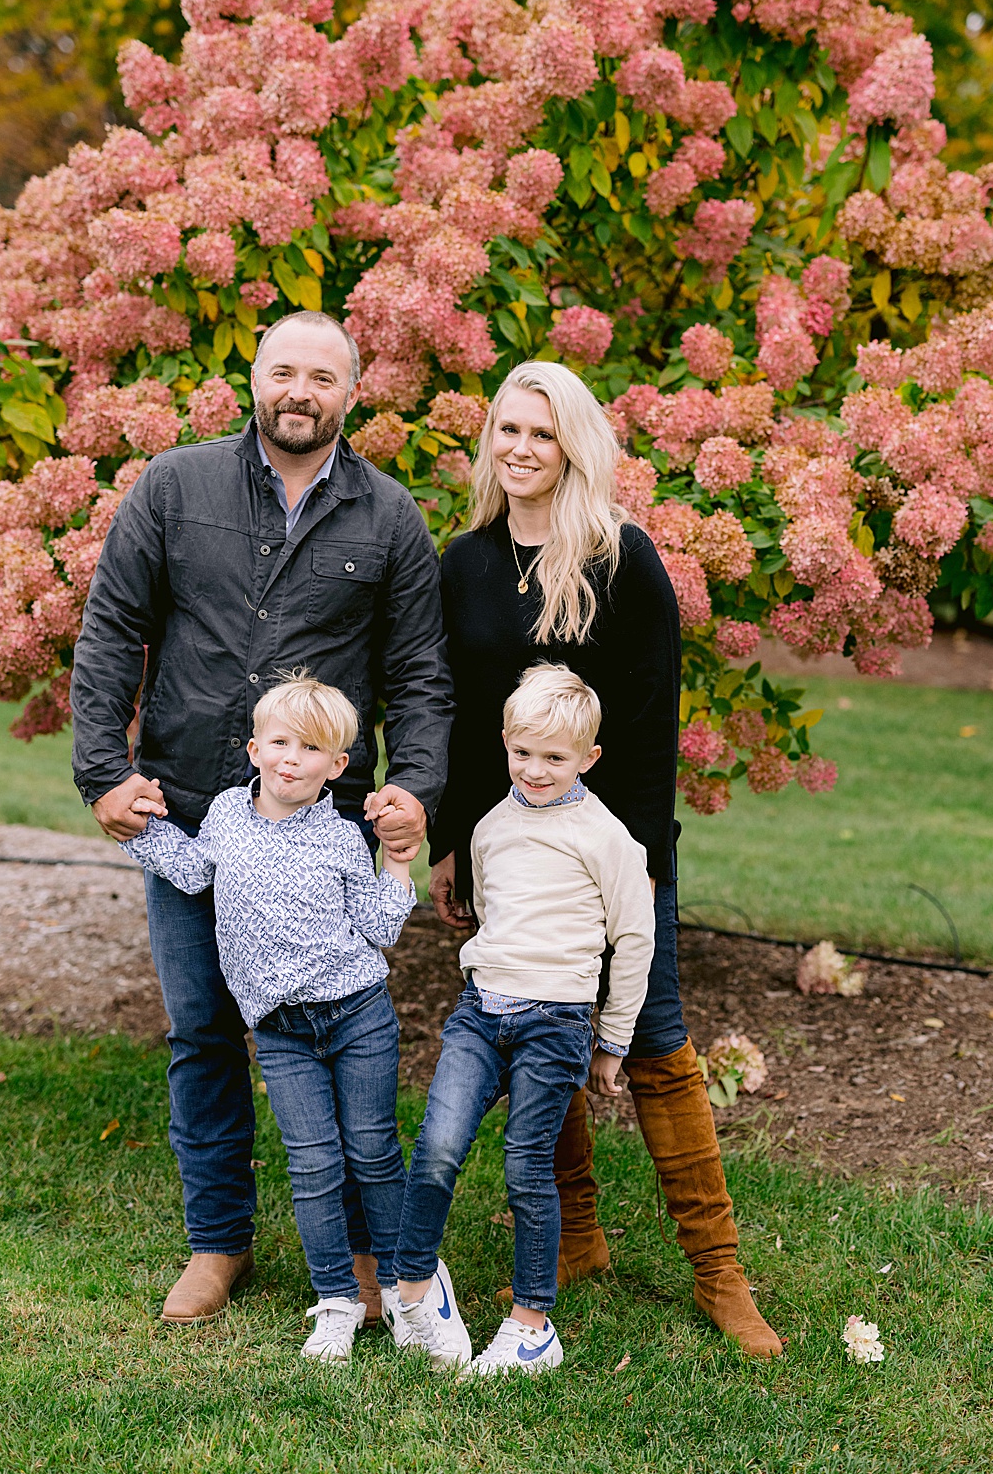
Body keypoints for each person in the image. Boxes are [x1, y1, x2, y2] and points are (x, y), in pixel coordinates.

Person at [70, 310, 454, 1325]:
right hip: (189, 808)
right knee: (202, 1031)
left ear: (351, 392)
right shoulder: (174, 486)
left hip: (323, 834)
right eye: (284, 371)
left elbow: (419, 672)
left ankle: (364, 1256)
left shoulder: (390, 518)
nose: (301, 391)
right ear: (253, 379)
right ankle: (218, 1241)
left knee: (339, 1043)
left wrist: (413, 789)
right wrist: (101, 772)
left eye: (322, 378)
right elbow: (112, 623)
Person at [428, 360, 782, 1359]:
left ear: (575, 444)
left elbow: (647, 727)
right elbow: (461, 721)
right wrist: (454, 842)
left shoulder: (622, 559)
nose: (521, 449)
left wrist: (629, 871)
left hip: (610, 848)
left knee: (659, 1043)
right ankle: (575, 1239)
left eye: (542, 433)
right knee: (537, 1024)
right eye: (506, 429)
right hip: (504, 848)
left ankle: (718, 1272)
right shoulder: (464, 563)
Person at [119, 674, 417, 1364]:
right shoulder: (225, 815)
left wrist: (400, 864)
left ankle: (408, 1292)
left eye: (311, 748)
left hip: (358, 1017)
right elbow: (192, 872)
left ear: (337, 765)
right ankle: (337, 1301)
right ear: (254, 748)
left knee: (372, 1153)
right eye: (279, 742)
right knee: (313, 1164)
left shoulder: (343, 837)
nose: (292, 758)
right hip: (281, 1032)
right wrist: (140, 826)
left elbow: (378, 925)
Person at [392, 664, 654, 1376]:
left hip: (556, 1020)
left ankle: (532, 1323)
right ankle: (413, 1288)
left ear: (588, 758)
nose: (536, 770)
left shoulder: (606, 837)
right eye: (524, 753)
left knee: (524, 1165)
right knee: (438, 1144)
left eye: (556, 758)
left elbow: (635, 938)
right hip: (481, 1012)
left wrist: (613, 1041)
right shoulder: (489, 827)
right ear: (505, 741)